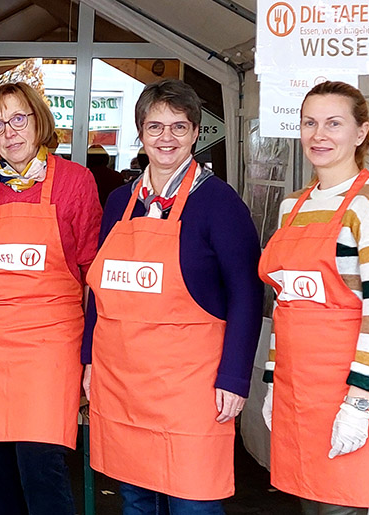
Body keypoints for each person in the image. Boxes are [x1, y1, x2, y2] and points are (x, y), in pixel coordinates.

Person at [82, 79, 263, 514]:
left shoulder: (220, 203)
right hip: (124, 381)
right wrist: (89, 359)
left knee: (193, 502)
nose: (166, 139)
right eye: (155, 127)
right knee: (136, 500)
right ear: (140, 133)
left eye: (178, 128)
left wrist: (235, 378)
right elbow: (97, 290)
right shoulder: (120, 202)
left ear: (196, 132)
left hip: (191, 387)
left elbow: (246, 293)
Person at [0, 82, 101, 515]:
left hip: (49, 353)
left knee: (42, 474)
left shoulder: (74, 183)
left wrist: (89, 357)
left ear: (37, 122)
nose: (9, 132)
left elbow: (91, 275)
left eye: (18, 119)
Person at [259, 81, 369, 514]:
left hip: (348, 389)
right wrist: (272, 381)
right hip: (296, 389)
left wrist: (359, 401)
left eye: (333, 123)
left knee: (342, 506)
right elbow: (285, 304)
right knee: (308, 505)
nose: (319, 135)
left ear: (360, 133)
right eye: (310, 123)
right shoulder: (292, 207)